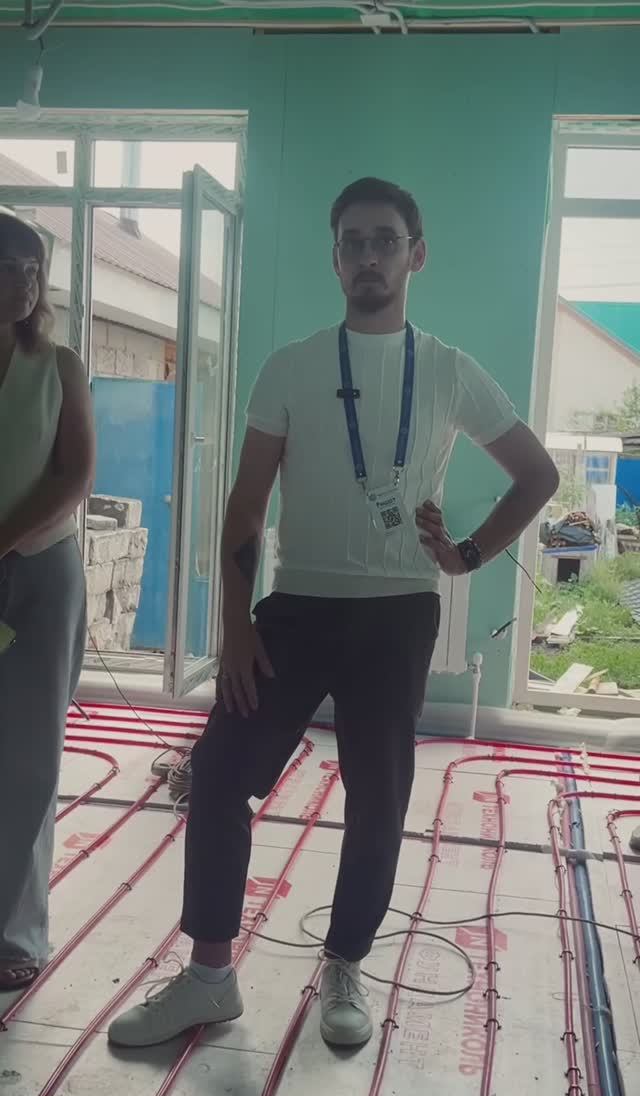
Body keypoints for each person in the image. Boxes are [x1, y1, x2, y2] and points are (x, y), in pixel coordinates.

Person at [109, 178, 558, 1049]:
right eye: (353, 241)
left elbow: (536, 475)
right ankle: (209, 978)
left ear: (416, 255)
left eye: (385, 240)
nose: (368, 256)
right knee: (219, 774)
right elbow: (246, 507)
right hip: (297, 606)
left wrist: (466, 555)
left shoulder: (449, 370)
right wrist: (236, 625)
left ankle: (345, 964)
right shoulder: (293, 366)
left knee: (378, 800)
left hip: (397, 613)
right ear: (335, 258)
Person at [0, 212, 95, 991]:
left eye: (35, 268)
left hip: (39, 574)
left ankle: (15, 935)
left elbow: (75, 475)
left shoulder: (58, 365)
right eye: (10, 264)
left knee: (28, 758)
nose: (26, 281)